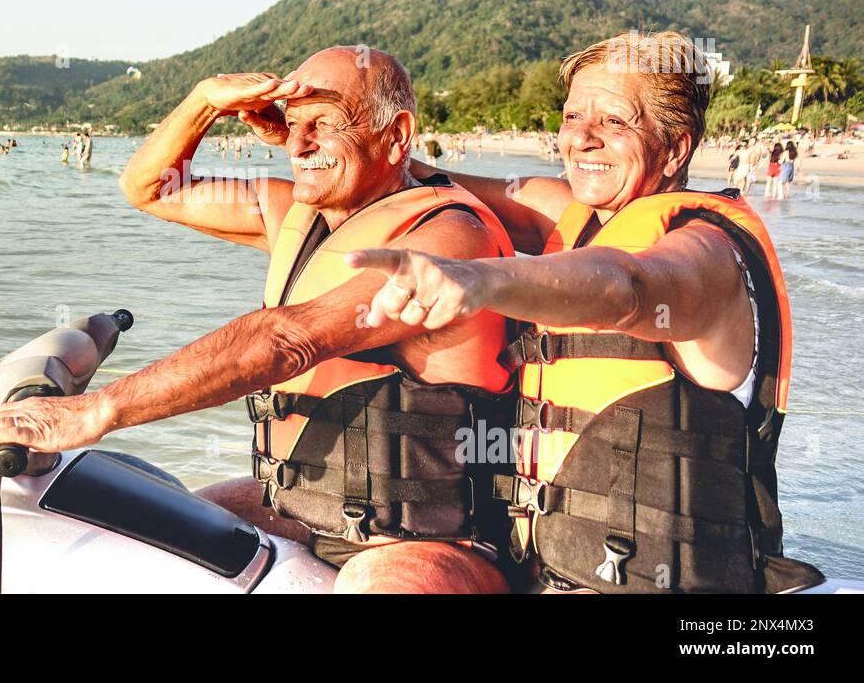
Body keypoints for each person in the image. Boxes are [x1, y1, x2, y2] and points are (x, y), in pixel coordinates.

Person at [0, 47, 518, 594]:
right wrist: (205, 101)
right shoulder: (292, 215)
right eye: (291, 124)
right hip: (306, 504)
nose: (298, 144)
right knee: (140, 544)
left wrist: (91, 412)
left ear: (395, 135)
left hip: (432, 540)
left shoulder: (451, 235)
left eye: (323, 122)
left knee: (378, 583)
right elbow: (149, 188)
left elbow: (287, 339)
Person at [347, 31, 824, 593]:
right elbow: (425, 181)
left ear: (675, 148)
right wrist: (335, 140)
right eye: (573, 116)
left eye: (616, 123)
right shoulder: (570, 215)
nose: (584, 139)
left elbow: (627, 286)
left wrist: (478, 278)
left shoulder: (709, 257)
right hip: (543, 569)